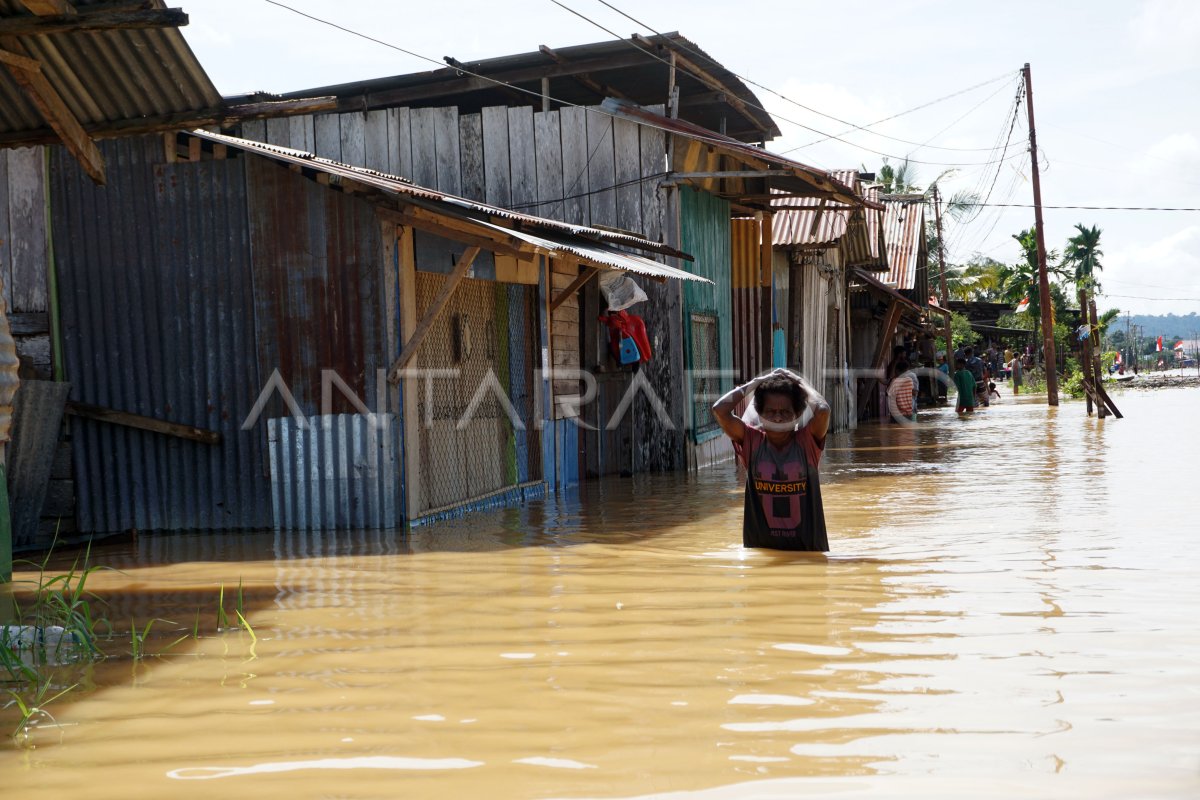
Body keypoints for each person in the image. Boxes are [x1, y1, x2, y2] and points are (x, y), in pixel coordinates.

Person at [712, 368, 831, 551]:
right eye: (770, 411)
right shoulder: (751, 442)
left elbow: (823, 411)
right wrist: (755, 383)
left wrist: (800, 383)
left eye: (784, 412)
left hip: (806, 552)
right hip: (760, 553)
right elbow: (719, 410)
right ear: (759, 413)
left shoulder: (807, 442)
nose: (777, 417)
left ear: (797, 414)